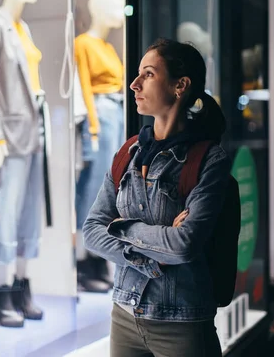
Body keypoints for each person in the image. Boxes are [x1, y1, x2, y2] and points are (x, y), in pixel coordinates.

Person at [83, 38, 230, 357]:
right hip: (123, 315)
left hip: (183, 322)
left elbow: (184, 245)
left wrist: (121, 228)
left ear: (180, 86)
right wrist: (152, 250)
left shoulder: (208, 160)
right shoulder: (129, 153)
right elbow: (92, 232)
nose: (134, 84)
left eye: (148, 74)